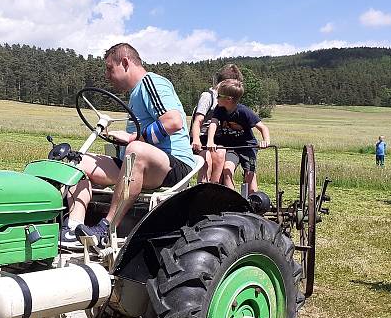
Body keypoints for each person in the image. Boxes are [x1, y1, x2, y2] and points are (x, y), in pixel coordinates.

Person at [61, 43, 196, 248]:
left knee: (135, 151)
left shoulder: (151, 83)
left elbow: (174, 122)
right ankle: (73, 227)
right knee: (78, 161)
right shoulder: (134, 94)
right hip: (139, 164)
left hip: (173, 165)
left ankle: (106, 227)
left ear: (125, 63)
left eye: (109, 68)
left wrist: (133, 139)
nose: (107, 76)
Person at [204, 78, 270, 193]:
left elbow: (263, 127)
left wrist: (266, 140)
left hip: (247, 148)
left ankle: (253, 200)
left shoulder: (244, 112)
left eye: (219, 95)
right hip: (232, 148)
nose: (216, 98)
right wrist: (210, 140)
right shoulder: (219, 109)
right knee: (227, 170)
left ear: (228, 99)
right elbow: (213, 124)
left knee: (249, 175)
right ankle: (233, 200)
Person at [190, 64, 243, 182]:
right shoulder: (208, 97)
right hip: (201, 138)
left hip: (217, 140)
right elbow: (198, 120)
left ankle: (215, 189)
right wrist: (196, 140)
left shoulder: (227, 99)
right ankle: (203, 189)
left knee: (220, 154)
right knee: (207, 159)